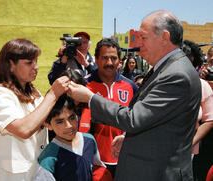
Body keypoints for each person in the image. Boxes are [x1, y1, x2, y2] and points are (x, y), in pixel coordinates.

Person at [66, 10, 201, 180]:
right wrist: (128, 138)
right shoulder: (167, 68)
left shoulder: (176, 74)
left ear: (164, 37)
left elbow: (133, 118)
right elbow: (155, 121)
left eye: (143, 37)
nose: (139, 43)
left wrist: (90, 98)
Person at [0, 38, 68, 181]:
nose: (36, 67)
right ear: (10, 65)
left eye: (36, 61)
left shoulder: (34, 93)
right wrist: (53, 94)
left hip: (37, 174)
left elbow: (46, 121)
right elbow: (23, 129)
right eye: (29, 63)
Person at [78, 38, 137, 178]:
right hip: (93, 160)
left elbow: (138, 120)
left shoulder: (131, 86)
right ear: (96, 59)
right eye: (105, 58)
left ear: (119, 61)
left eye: (113, 58)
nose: (109, 63)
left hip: (124, 159)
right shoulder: (84, 85)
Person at [32, 94, 112, 181]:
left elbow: (96, 169)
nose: (69, 125)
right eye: (60, 121)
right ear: (48, 125)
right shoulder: (48, 159)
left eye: (72, 117)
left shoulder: (89, 140)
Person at [182, 40, 213, 181]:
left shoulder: (202, 85)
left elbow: (209, 119)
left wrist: (190, 143)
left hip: (196, 152)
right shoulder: (164, 84)